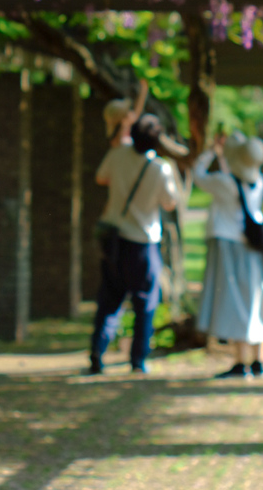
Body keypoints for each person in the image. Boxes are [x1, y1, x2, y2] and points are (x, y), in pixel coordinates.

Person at [90, 113, 187, 375]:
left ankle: (97, 354)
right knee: (145, 303)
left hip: (114, 240)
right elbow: (170, 203)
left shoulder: (118, 154)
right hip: (142, 243)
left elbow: (101, 178)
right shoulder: (161, 168)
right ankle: (137, 360)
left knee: (109, 300)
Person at [194, 131, 263, 378]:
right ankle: (258, 360)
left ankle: (240, 362)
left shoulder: (225, 183)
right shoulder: (259, 181)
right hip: (256, 247)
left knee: (235, 302)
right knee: (258, 299)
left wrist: (212, 150)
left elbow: (198, 175)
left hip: (229, 246)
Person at [102, 78, 149, 148]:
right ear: (124, 119)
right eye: (128, 111)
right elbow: (135, 115)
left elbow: (136, 113)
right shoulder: (123, 141)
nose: (131, 113)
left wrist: (144, 90)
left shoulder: (116, 138)